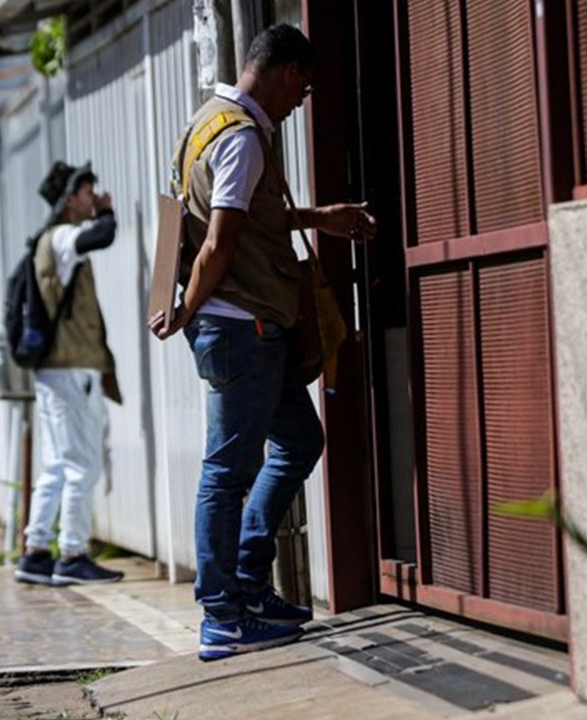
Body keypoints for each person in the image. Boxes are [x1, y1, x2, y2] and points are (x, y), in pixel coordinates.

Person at [148, 24, 376, 661]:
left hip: (246, 323)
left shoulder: (206, 124)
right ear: (280, 71)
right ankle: (222, 612)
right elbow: (219, 242)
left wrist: (318, 217)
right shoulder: (242, 139)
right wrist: (186, 310)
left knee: (301, 440)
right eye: (303, 84)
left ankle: (248, 580)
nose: (304, 99)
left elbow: (239, 223)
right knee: (226, 470)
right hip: (238, 325)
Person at [14, 160, 127, 586]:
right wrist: (107, 212)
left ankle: (37, 551)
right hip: (71, 367)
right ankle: (73, 554)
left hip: (54, 371)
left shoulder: (46, 240)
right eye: (85, 191)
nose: (92, 196)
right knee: (82, 463)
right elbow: (103, 235)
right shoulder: (62, 237)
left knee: (58, 464)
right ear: (68, 200)